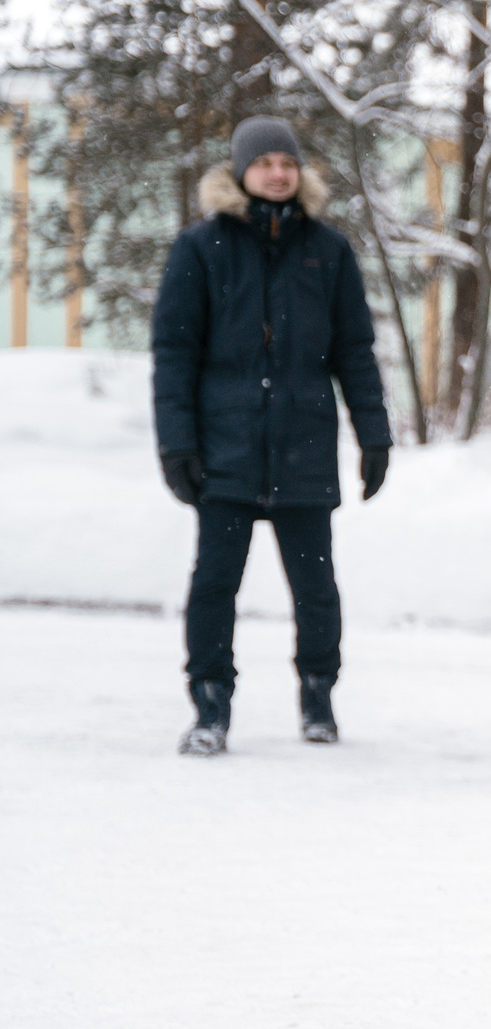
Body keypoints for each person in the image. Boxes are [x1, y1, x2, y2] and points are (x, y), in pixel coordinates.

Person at [152, 116, 393, 755]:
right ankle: (210, 706)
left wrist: (375, 435)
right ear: (240, 171)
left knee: (316, 587)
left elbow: (355, 351)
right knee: (214, 586)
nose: (278, 173)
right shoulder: (201, 248)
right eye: (264, 164)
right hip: (224, 451)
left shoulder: (328, 250)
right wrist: (176, 444)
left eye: (287, 162)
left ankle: (318, 695)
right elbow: (173, 356)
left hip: (304, 448)